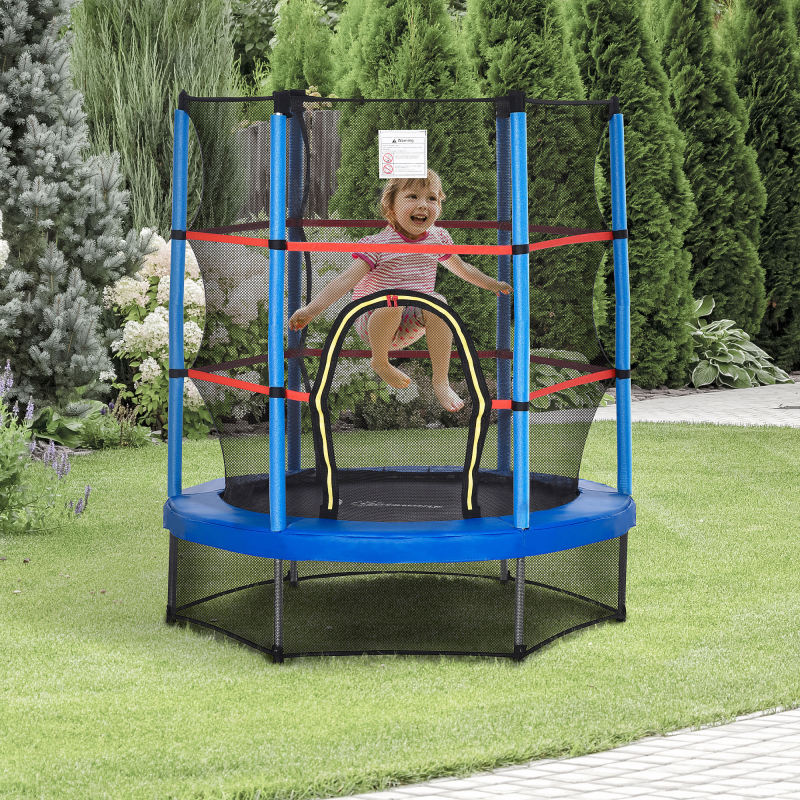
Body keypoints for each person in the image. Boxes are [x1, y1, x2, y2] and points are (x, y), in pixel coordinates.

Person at [288, 169, 512, 412]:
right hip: (372, 320)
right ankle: (380, 362)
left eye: (432, 198)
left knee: (438, 302)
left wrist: (493, 284)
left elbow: (464, 269)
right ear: (391, 207)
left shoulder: (437, 239)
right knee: (392, 300)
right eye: (413, 196)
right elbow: (346, 279)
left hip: (408, 322)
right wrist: (311, 310)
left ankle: (441, 381)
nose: (423, 204)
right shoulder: (379, 244)